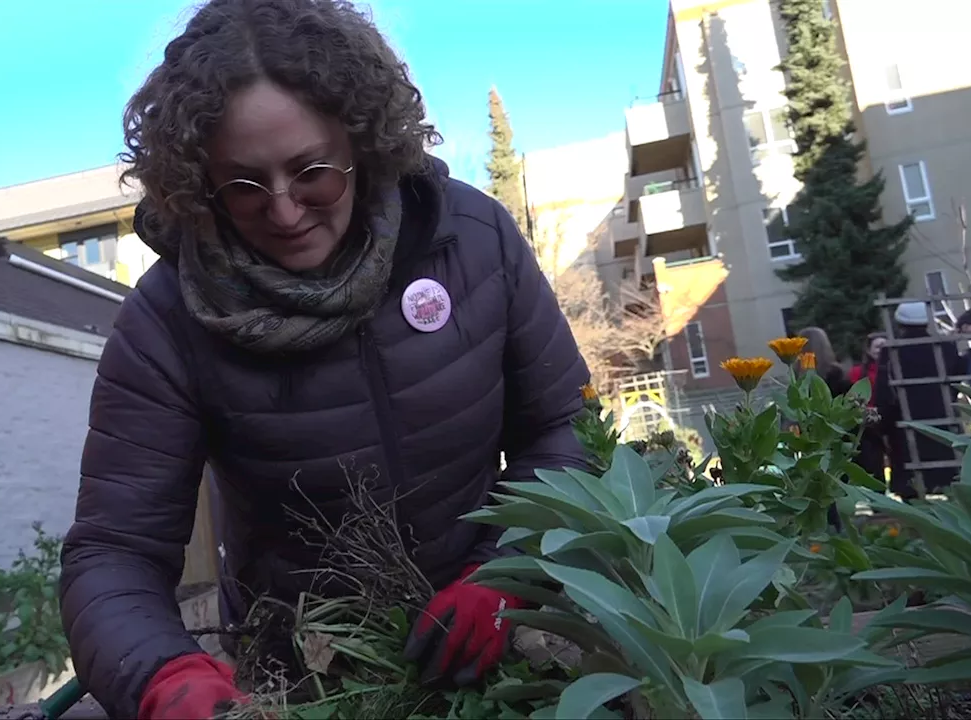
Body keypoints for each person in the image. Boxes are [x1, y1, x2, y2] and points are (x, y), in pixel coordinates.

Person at [57, 1, 591, 718]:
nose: (283, 211)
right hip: (305, 683)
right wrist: (162, 679)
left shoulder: (472, 240)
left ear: (362, 142)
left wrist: (509, 573)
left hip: (501, 648)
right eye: (244, 185)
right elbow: (112, 553)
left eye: (311, 172)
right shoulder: (166, 322)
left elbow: (560, 431)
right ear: (201, 181)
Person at [874, 302, 960, 499]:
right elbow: (955, 381)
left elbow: (884, 393)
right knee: (948, 488)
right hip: (941, 425)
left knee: (914, 492)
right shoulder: (945, 346)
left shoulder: (893, 350)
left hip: (906, 427)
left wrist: (883, 426)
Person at [796, 327, 853, 529]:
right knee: (837, 491)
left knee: (815, 493)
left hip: (810, 444)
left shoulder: (799, 380)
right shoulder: (838, 375)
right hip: (837, 443)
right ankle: (841, 531)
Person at [849, 332, 888, 484]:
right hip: (870, 424)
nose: (881, 350)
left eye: (884, 346)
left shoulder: (896, 369)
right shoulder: (858, 372)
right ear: (869, 350)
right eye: (878, 346)